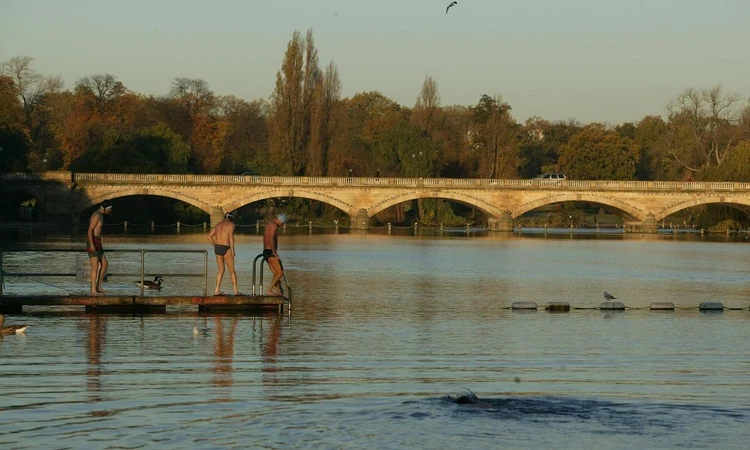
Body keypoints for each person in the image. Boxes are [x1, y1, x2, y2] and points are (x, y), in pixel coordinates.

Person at [208, 212, 240, 296]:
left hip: (217, 248)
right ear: (231, 219)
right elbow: (231, 238)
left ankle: (217, 290)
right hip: (226, 247)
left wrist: (215, 245)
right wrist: (233, 250)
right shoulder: (231, 225)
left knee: (221, 269)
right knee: (231, 269)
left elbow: (209, 237)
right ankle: (236, 291)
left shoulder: (218, 225)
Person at [87, 200, 113, 295]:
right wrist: (92, 244)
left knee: (105, 264)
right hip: (92, 241)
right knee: (95, 266)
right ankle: (93, 289)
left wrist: (100, 240)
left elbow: (98, 230)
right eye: (109, 209)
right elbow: (90, 230)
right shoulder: (97, 215)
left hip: (97, 241)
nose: (110, 211)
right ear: (105, 208)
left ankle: (98, 286)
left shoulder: (101, 215)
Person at [263, 213, 287, 296]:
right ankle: (269, 290)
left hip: (266, 251)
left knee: (276, 274)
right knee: (280, 273)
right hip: (270, 252)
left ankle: (279, 293)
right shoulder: (274, 226)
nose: (282, 225)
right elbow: (271, 238)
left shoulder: (269, 224)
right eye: (282, 223)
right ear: (280, 221)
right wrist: (274, 253)